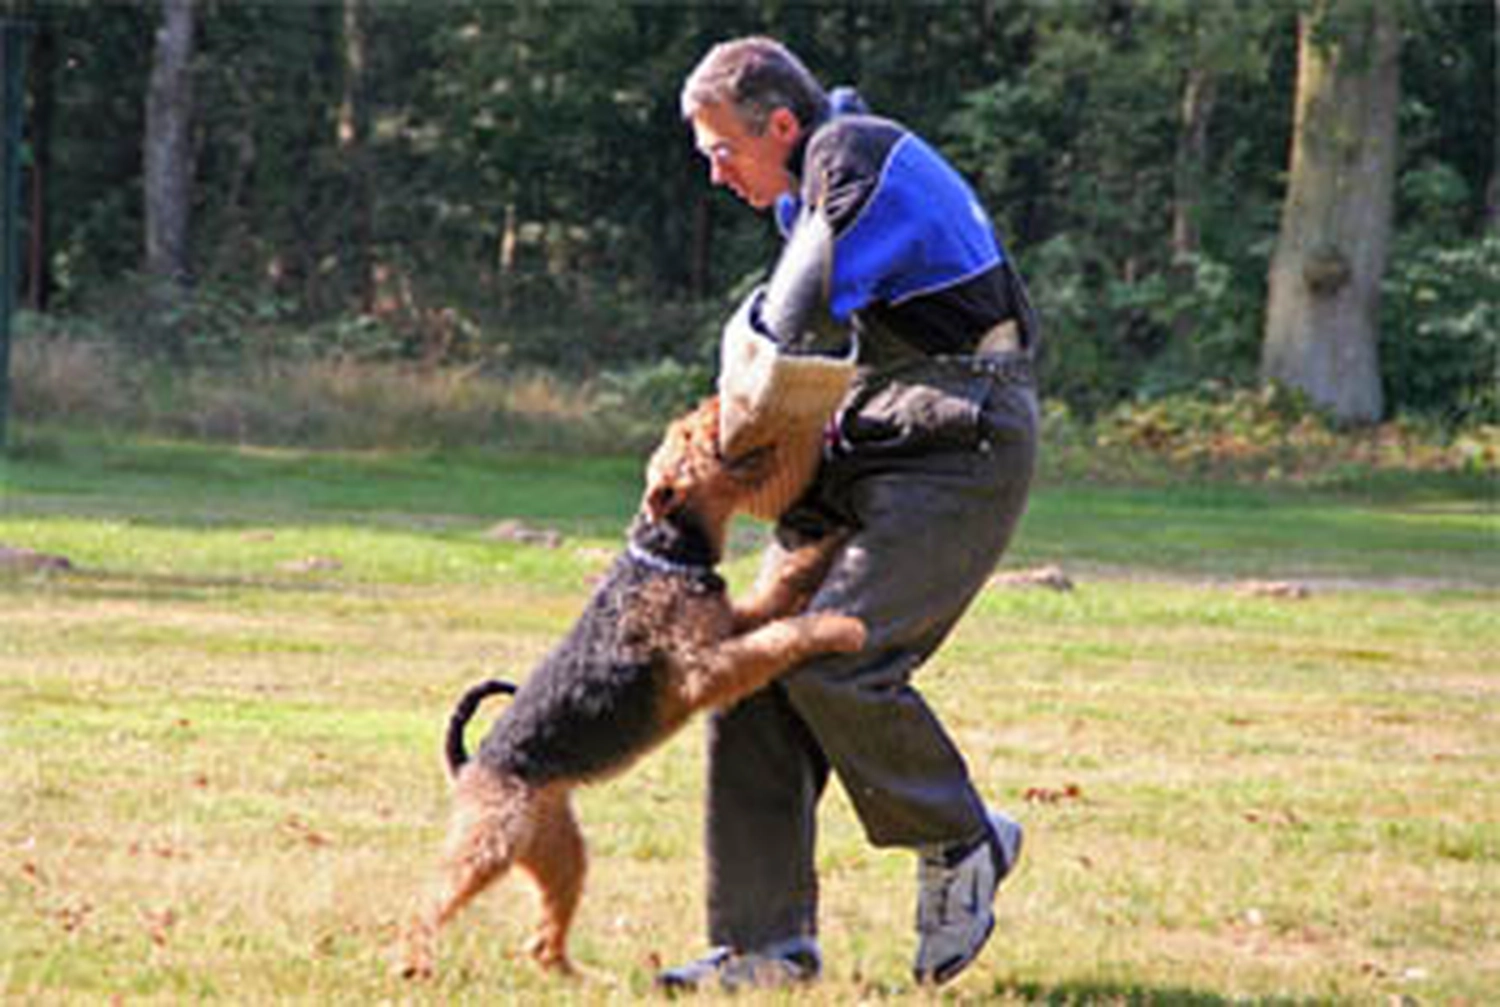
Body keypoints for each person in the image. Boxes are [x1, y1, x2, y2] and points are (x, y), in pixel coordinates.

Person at [660, 36, 1041, 991]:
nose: (712, 175)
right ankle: (762, 947)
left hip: (965, 434)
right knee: (749, 668)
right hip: (878, 430)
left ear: (780, 125)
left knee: (839, 652)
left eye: (720, 149)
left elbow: (787, 318)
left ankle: (964, 838)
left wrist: (742, 389)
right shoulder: (815, 184)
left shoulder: (851, 149)